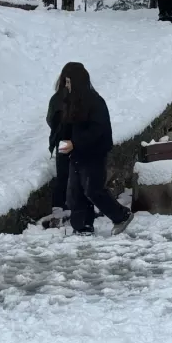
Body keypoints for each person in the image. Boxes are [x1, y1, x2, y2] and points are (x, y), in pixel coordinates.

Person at [54, 63, 134, 235]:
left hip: (94, 154)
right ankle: (82, 227)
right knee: (75, 194)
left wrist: (75, 143)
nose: (66, 86)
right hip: (76, 155)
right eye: (65, 82)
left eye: (69, 82)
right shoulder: (70, 102)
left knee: (93, 190)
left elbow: (98, 129)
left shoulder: (95, 102)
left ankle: (121, 216)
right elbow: (67, 127)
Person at [46, 76, 73, 227]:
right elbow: (51, 120)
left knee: (66, 174)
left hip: (67, 140)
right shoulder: (62, 98)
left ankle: (61, 209)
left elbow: (50, 119)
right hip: (67, 140)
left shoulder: (57, 98)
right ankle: (61, 210)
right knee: (66, 174)